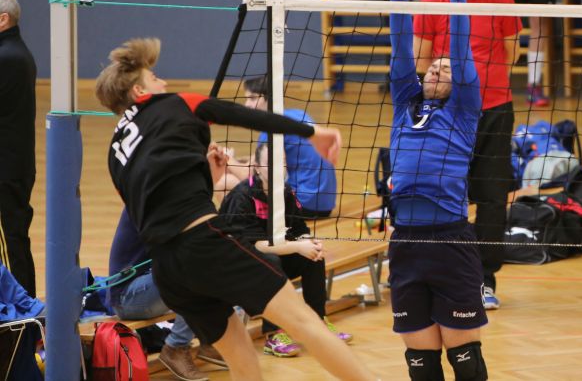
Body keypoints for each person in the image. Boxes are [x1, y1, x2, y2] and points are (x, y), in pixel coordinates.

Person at [95, 37, 377, 381]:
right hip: (204, 247)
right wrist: (311, 132)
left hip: (168, 272)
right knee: (305, 322)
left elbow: (152, 207)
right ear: (140, 91)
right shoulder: (174, 103)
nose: (164, 82)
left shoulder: (115, 152)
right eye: (155, 78)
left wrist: (208, 176)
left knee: (241, 360)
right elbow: (242, 115)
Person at [377, 0, 489, 381]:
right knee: (420, 363)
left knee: (465, 359)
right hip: (405, 241)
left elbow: (459, 52)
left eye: (446, 69)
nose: (437, 70)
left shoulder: (462, 110)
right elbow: (401, 54)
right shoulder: (405, 103)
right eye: (433, 67)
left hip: (449, 240)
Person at [412, 0, 521, 311]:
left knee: (492, 195)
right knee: (443, 192)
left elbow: (511, 53)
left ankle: (484, 279)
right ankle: (441, 273)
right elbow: (421, 60)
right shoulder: (431, 3)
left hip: (494, 108)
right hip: (447, 114)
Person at [219, 141, 351, 358]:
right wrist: (298, 246)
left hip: (270, 260)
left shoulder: (286, 192)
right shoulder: (243, 197)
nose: (278, 168)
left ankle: (318, 323)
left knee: (313, 258)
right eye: (270, 163)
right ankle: (273, 334)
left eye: (281, 162)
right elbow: (256, 245)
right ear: (257, 167)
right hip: (238, 267)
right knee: (271, 261)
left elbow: (299, 229)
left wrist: (309, 242)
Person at [108, 208, 218, 380]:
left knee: (215, 262)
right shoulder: (149, 202)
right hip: (127, 296)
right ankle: (176, 347)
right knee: (197, 267)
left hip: (151, 286)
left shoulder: (175, 200)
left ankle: (210, 341)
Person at [243, 75, 338, 217]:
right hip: (325, 205)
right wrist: (240, 160)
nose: (246, 104)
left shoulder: (269, 127)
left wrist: (227, 160)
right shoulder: (298, 114)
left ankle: (241, 227)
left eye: (253, 98)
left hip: (302, 204)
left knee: (228, 183)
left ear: (270, 98)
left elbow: (249, 174)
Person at [0, 0, 37, 298]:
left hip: (7, 168)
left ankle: (23, 311)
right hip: (12, 164)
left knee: (12, 241)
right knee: (14, 239)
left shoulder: (9, 57)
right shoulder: (12, 52)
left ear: (3, 19)